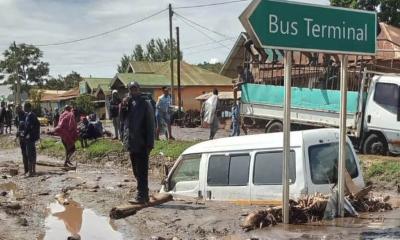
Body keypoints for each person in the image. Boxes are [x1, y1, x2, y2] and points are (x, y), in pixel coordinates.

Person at [122, 81, 155, 204]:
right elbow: (123, 121)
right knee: (136, 170)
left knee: (142, 171)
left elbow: (151, 124)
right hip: (131, 143)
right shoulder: (128, 103)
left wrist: (150, 144)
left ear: (139, 89)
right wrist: (123, 106)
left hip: (142, 143)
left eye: (135, 89)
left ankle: (142, 195)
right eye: (131, 89)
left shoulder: (145, 104)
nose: (133, 91)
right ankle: (144, 193)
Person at [23, 102, 40, 177]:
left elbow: (29, 127)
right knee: (33, 154)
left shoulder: (30, 115)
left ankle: (30, 172)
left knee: (29, 155)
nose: (24, 108)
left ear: (27, 107)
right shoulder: (32, 115)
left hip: (29, 138)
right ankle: (33, 171)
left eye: (24, 107)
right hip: (32, 138)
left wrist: (24, 134)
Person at [15, 105, 28, 174]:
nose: (16, 111)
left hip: (26, 137)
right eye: (16, 109)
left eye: (17, 109)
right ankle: (26, 170)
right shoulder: (17, 117)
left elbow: (28, 126)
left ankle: (30, 169)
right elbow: (18, 127)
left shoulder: (26, 115)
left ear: (21, 109)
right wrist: (18, 133)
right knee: (23, 153)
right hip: (21, 137)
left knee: (27, 153)